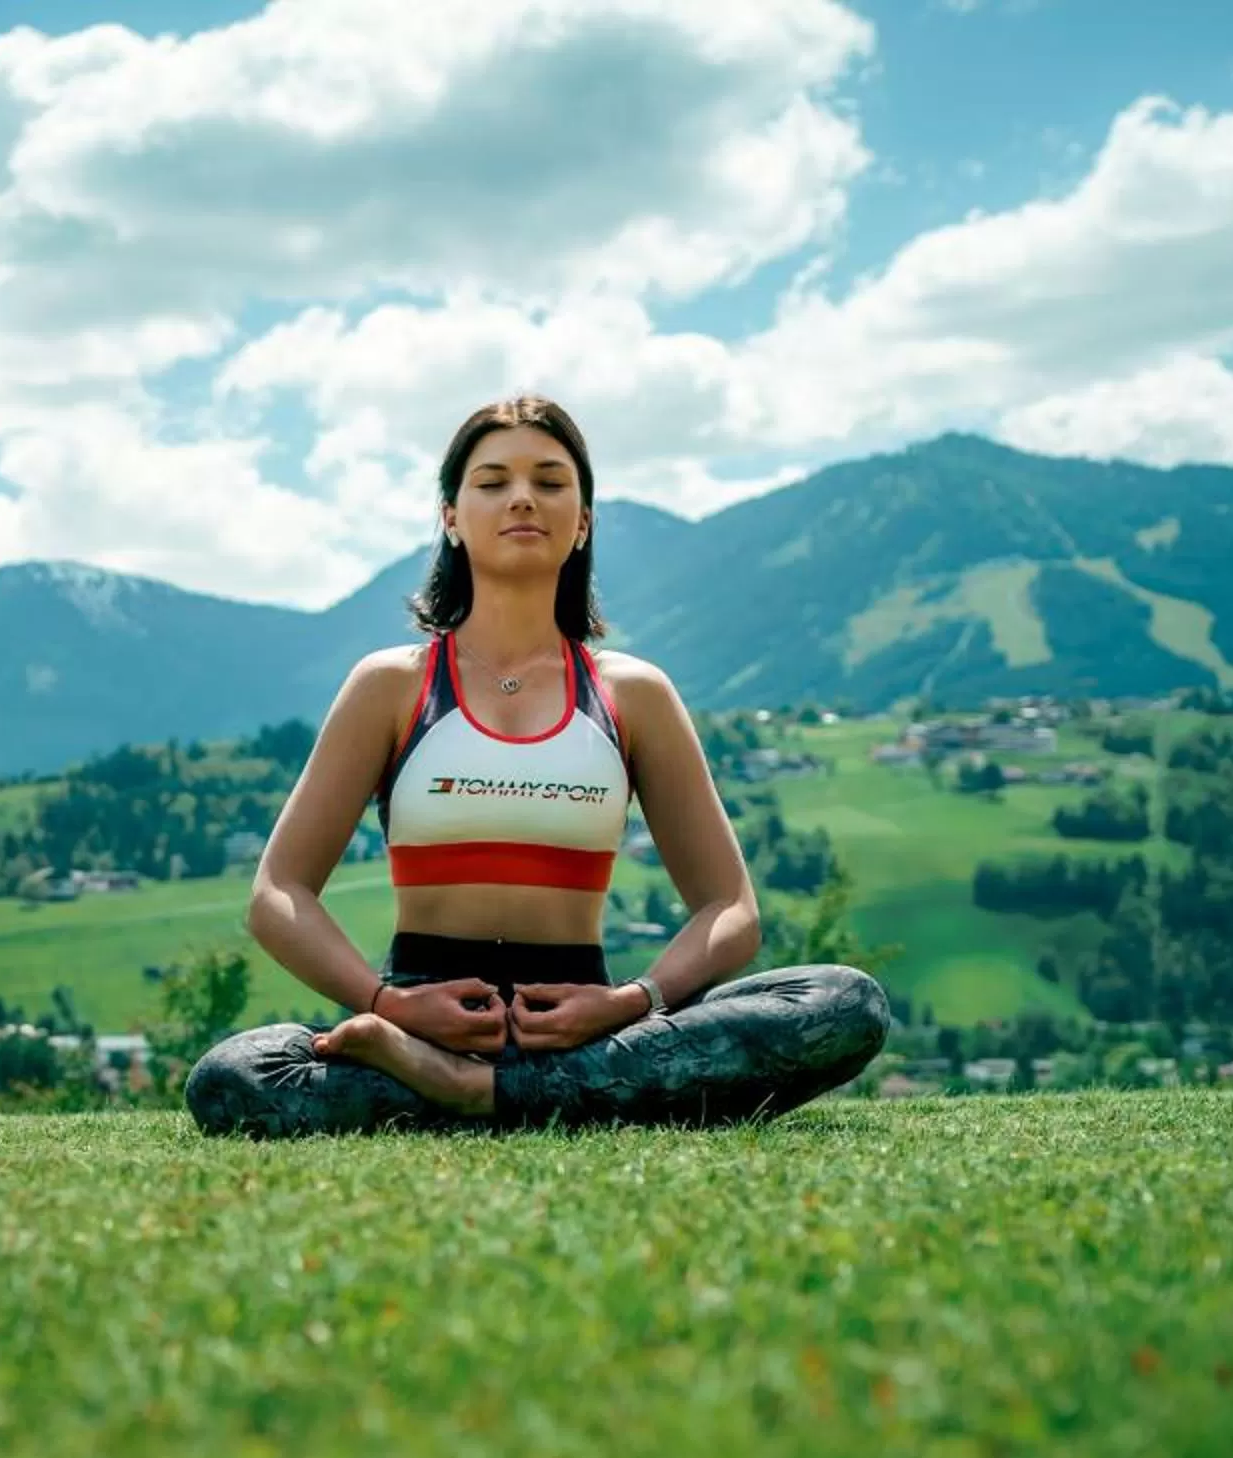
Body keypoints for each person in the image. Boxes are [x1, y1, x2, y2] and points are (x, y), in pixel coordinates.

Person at [186, 395, 888, 1138]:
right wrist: (390, 1005)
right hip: (426, 1020)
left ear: (582, 521)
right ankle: (521, 1090)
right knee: (238, 1076)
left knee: (844, 1003)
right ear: (451, 517)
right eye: (493, 482)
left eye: (550, 482)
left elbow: (731, 910)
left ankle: (467, 1094)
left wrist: (630, 1003)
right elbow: (278, 894)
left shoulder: (635, 694)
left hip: (589, 1027)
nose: (522, 497)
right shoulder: (391, 685)